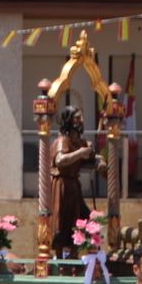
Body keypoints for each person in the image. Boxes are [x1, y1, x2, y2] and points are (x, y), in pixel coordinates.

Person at [51, 104, 103, 256]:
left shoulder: (79, 142)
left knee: (80, 218)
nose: (81, 121)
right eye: (77, 118)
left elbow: (87, 159)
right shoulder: (63, 140)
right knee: (62, 221)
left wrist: (97, 160)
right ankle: (59, 258)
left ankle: (75, 255)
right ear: (69, 120)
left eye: (81, 118)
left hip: (74, 185)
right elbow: (61, 160)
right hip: (61, 186)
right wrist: (81, 153)